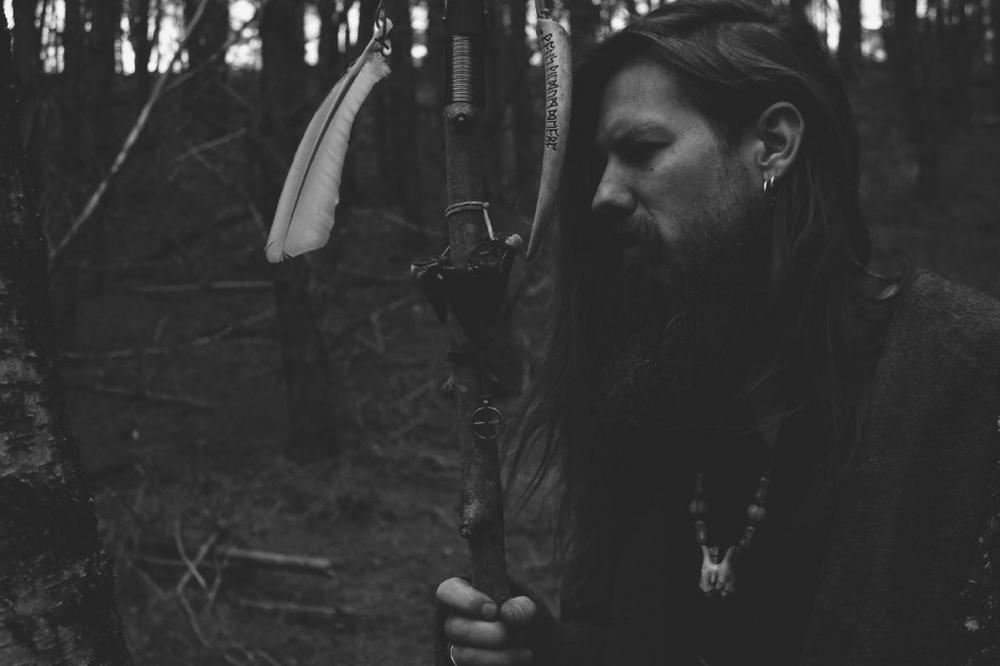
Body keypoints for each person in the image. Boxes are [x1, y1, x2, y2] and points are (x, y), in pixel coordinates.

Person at [436, 1, 1000, 664]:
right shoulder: (655, 388)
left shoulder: (968, 379)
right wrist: (541, 651)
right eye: (602, 163)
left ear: (774, 145)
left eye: (641, 150)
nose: (603, 195)